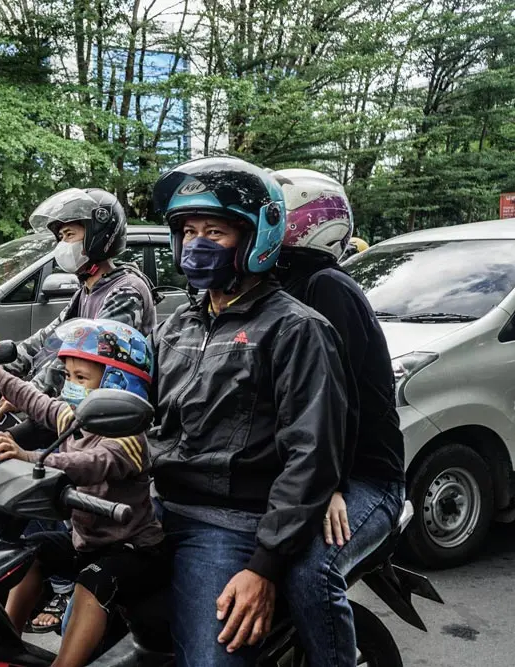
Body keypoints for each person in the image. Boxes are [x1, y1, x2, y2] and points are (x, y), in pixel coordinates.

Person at [148, 156, 351, 666]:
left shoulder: (296, 329)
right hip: (153, 506)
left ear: (256, 236)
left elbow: (311, 454)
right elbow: (131, 405)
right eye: (188, 230)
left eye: (214, 231)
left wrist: (264, 565)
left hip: (228, 524)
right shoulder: (178, 325)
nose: (196, 243)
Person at [0, 187, 158, 632]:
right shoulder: (87, 288)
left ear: (100, 233)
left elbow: (89, 360)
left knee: (34, 471)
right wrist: (0, 357)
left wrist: (32, 391)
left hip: (105, 416)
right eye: (60, 235)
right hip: (74, 405)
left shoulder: (124, 290)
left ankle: (64, 582)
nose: (64, 243)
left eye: (72, 232)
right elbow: (51, 340)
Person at [0, 319, 164, 667]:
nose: (70, 386)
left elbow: (90, 463)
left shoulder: (130, 438)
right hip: (85, 542)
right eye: (68, 376)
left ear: (116, 386)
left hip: (134, 550)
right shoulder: (76, 418)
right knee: (31, 552)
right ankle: (9, 643)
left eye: (81, 378)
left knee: (96, 579)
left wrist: (31, 457)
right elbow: (34, 399)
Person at [271, 168, 405, 667]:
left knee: (311, 569)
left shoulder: (327, 287)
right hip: (303, 471)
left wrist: (326, 486)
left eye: (276, 213)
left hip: (363, 477)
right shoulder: (273, 285)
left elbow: (336, 400)